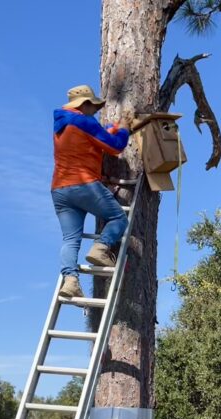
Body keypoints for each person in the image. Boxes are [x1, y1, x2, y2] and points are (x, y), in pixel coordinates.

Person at [51, 84, 131, 299]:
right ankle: (101, 248)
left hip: (59, 189)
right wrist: (124, 129)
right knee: (119, 218)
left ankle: (70, 280)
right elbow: (114, 147)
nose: (95, 111)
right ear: (84, 104)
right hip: (84, 184)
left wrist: (111, 129)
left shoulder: (62, 124)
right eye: (93, 107)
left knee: (70, 239)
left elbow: (92, 140)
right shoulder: (84, 121)